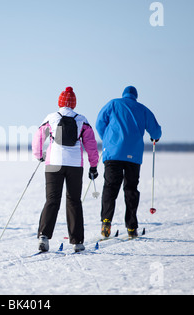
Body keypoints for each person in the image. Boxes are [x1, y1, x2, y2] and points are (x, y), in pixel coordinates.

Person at [32, 87, 99, 252]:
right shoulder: (82, 120)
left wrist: (39, 155)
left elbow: (38, 137)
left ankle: (44, 237)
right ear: (74, 103)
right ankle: (77, 242)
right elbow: (91, 145)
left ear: (59, 102)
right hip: (75, 164)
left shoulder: (52, 117)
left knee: (52, 200)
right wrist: (93, 165)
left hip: (54, 163)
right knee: (74, 201)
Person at [96, 86, 162, 238]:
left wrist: (107, 139)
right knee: (131, 189)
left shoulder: (113, 104)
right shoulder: (143, 109)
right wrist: (155, 137)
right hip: (133, 156)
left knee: (110, 188)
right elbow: (156, 131)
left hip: (113, 154)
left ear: (123, 94)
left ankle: (106, 222)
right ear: (135, 96)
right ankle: (132, 227)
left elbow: (100, 123)